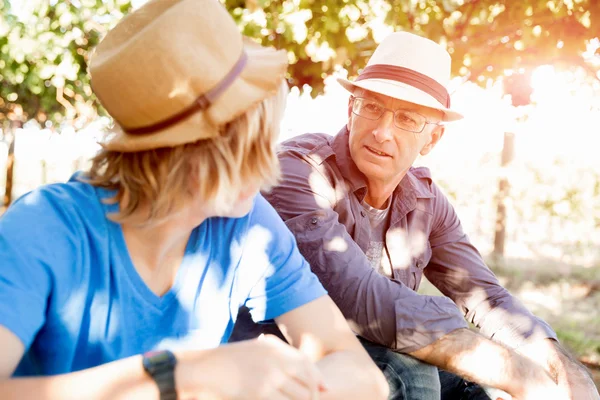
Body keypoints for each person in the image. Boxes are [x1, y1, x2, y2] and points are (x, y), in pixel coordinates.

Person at [0, 1, 389, 399]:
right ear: (188, 152)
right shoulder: (42, 229)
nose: (268, 161)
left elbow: (364, 379)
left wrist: (284, 385)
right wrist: (179, 375)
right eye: (253, 144)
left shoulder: (248, 224)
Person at [262, 31, 600, 400]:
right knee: (415, 373)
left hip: (376, 356)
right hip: (284, 356)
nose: (381, 132)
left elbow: (486, 297)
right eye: (371, 107)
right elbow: (359, 298)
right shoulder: (299, 172)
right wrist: (515, 371)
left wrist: (560, 368)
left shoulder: (426, 202)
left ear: (433, 139)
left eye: (407, 119)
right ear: (350, 109)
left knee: (475, 391)